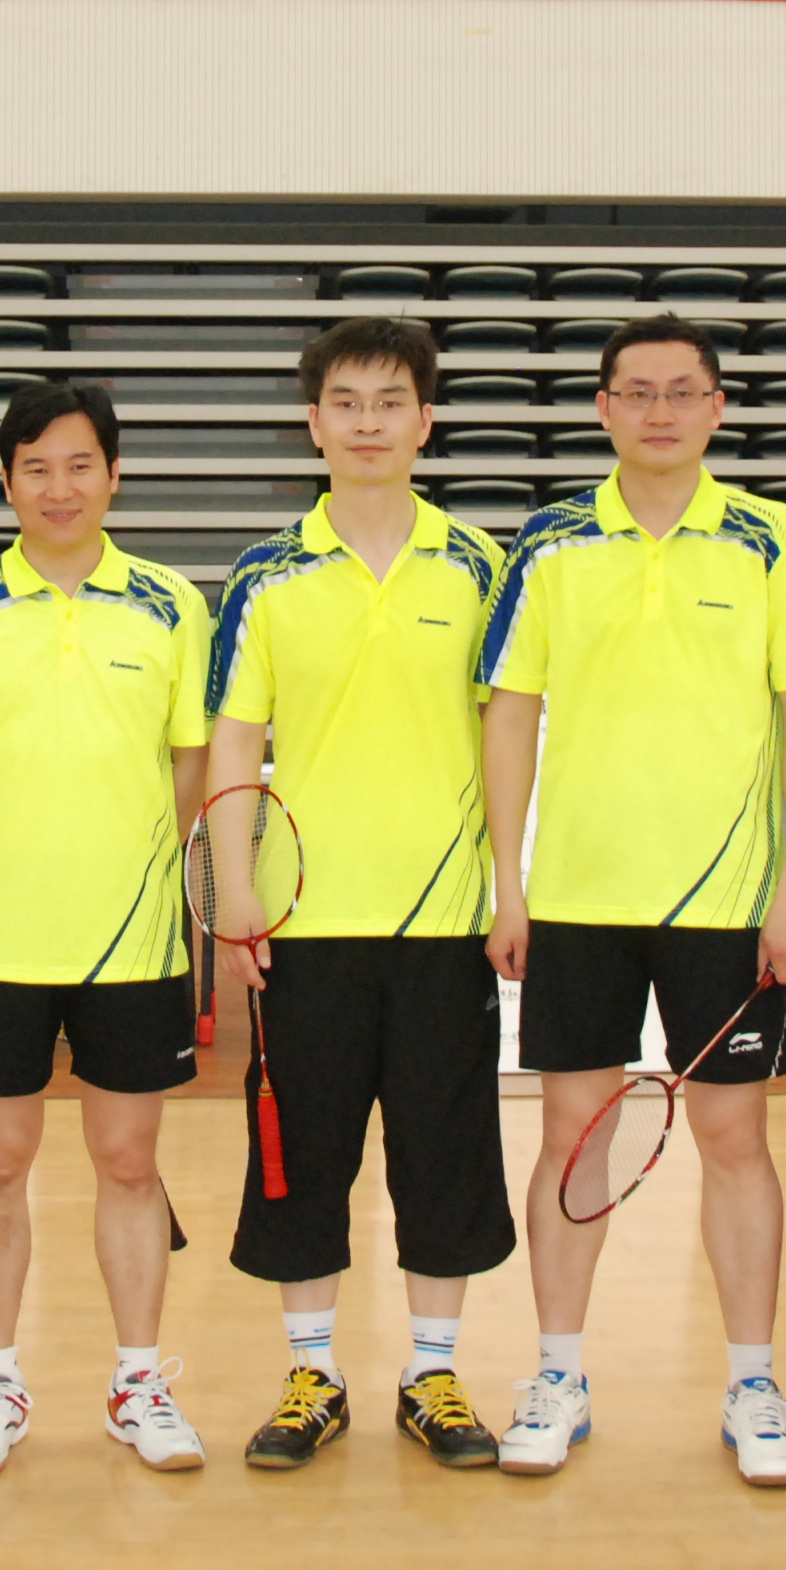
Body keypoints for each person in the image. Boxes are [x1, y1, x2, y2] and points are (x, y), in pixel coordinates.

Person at [481, 314, 786, 1488]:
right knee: (570, 1135)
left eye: (680, 391)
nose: (657, 412)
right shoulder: (548, 545)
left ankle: (751, 1384)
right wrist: (508, 885)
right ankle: (556, 1375)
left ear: (715, 408)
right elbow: (509, 715)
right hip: (579, 898)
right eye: (634, 392)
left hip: (728, 905)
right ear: (601, 408)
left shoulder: (771, 541)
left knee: (733, 1140)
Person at [204, 316, 516, 1473]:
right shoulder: (264, 576)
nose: (368, 423)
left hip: (444, 924)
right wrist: (233, 893)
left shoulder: (481, 568)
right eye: (346, 402)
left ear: (425, 422)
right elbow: (232, 738)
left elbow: (508, 736)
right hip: (304, 925)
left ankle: (431, 1373)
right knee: (301, 1158)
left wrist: (509, 891)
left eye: (391, 403)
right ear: (313, 422)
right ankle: (311, 1375)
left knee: (443, 1155)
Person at [0, 381, 215, 1477]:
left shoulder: (172, 605)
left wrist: (140, 865)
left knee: (128, 1163)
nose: (59, 487)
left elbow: (190, 756)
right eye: (35, 468)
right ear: (6, 484)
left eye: (80, 465)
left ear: (114, 476)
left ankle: (138, 1383)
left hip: (132, 943)